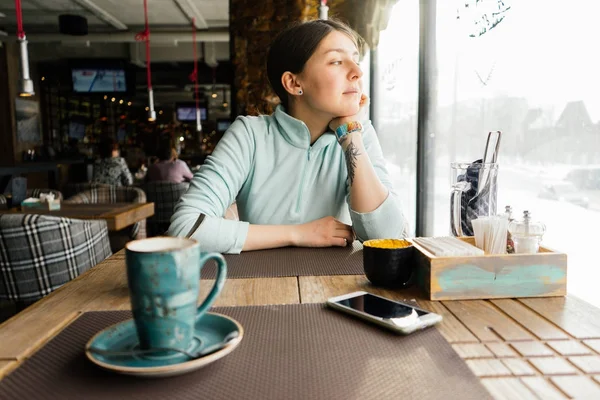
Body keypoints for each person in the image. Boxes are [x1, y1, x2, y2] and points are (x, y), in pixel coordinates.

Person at [168, 19, 407, 254]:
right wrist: (299, 234)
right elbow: (184, 229)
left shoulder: (358, 134)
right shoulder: (250, 135)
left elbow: (387, 238)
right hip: (257, 285)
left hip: (336, 289)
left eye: (355, 60)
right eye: (336, 61)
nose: (357, 72)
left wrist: (350, 137)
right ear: (293, 83)